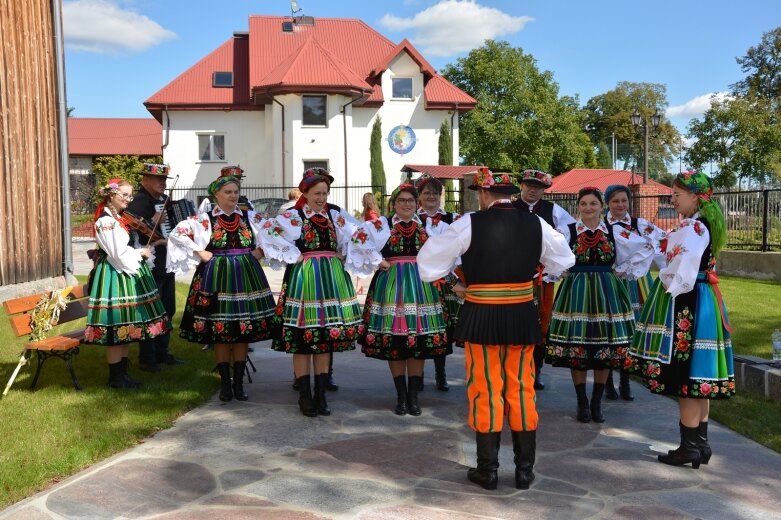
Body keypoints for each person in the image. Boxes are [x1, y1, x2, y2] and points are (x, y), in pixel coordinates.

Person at [417, 168, 575, 490]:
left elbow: (428, 261)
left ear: (484, 195)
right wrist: (534, 273)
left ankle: (487, 470)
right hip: (520, 314)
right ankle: (524, 471)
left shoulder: (468, 223)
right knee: (521, 386)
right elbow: (565, 259)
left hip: (482, 316)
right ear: (511, 194)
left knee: (485, 386)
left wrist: (454, 283)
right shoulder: (537, 223)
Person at [628, 171, 735, 468]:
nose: (672, 200)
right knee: (699, 373)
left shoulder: (692, 226)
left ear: (695, 196)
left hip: (688, 300)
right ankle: (700, 443)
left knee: (686, 373)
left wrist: (666, 283)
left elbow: (679, 267)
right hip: (706, 297)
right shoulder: (707, 223)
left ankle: (689, 446)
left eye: (677, 195)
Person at [258, 167, 362, 417]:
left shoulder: (336, 214)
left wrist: (344, 253)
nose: (321, 198)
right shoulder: (292, 216)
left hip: (331, 279)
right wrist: (294, 254)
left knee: (324, 338)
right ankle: (305, 394)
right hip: (304, 279)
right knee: (303, 339)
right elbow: (266, 234)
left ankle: (321, 394)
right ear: (304, 192)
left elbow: (359, 235)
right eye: (317, 193)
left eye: (325, 193)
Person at [545, 187, 653, 423]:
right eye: (583, 204)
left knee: (606, 350)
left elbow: (646, 246)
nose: (588, 208)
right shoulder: (568, 230)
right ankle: (582, 402)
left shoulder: (615, 232)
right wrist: (559, 271)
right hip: (576, 293)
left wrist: (624, 270)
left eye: (593, 204)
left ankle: (596, 403)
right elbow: (547, 251)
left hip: (608, 292)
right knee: (578, 351)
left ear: (601, 207)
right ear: (578, 206)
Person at [166, 175, 276, 402]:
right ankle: (225, 383)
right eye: (228, 192)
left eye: (235, 191)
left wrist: (261, 251)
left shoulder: (248, 216)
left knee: (242, 331)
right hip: (216, 277)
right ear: (216, 195)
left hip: (246, 276)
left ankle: (238, 383)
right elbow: (177, 233)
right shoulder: (205, 219)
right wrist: (199, 251)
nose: (233, 196)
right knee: (221, 331)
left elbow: (274, 232)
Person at [347, 183, 450, 417]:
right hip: (390, 287)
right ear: (393, 204)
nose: (406, 204)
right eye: (401, 200)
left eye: (410, 201)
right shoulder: (380, 225)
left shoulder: (431, 225)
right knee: (396, 344)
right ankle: (401, 396)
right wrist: (378, 260)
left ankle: (413, 397)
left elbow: (451, 246)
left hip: (422, 288)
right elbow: (357, 240)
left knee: (418, 343)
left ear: (418, 204)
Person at [84, 179, 170, 388]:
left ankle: (123, 374)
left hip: (124, 272)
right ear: (110, 195)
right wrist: (140, 252)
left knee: (127, 324)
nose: (128, 199)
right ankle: (115, 377)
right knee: (117, 325)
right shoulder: (105, 221)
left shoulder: (118, 218)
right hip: (115, 273)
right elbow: (117, 253)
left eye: (130, 195)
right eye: (124, 194)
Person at [511, 169, 576, 391]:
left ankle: (535, 371)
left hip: (543, 279)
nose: (532, 190)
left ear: (544, 190)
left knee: (541, 324)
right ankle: (514, 370)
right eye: (529, 185)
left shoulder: (552, 210)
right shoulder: (509, 208)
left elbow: (568, 234)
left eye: (537, 187)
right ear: (522, 186)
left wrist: (552, 265)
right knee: (513, 323)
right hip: (514, 278)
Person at [602, 184, 667, 401]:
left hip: (638, 283)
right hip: (611, 283)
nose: (620, 205)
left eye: (623, 200)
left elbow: (663, 244)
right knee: (611, 331)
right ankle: (608, 381)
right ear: (607, 203)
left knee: (634, 332)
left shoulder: (640, 225)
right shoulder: (602, 226)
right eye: (615, 201)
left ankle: (626, 380)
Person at [126, 163, 183, 373]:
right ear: (145, 180)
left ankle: (162, 352)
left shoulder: (162, 200)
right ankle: (147, 358)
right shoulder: (140, 201)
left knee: (167, 309)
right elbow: (132, 231)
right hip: (150, 265)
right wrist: (153, 220)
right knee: (151, 311)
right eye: (158, 179)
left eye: (165, 180)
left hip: (166, 263)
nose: (163, 183)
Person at [415, 173, 461, 392]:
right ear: (419, 197)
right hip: (421, 280)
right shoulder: (412, 218)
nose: (431, 196)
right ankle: (419, 373)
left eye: (435, 192)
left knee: (444, 328)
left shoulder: (454, 219)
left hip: (446, 280)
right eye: (426, 193)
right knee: (422, 327)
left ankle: (440, 372)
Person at [354, 192, 381, 296]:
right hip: (367, 241)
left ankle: (360, 285)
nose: (361, 201)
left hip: (368, 242)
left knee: (364, 263)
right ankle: (360, 285)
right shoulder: (370, 213)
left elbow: (377, 227)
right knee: (365, 263)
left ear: (366, 201)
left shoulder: (370, 214)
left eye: (363, 199)